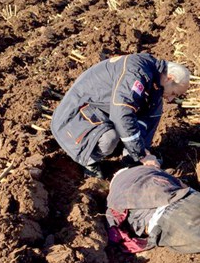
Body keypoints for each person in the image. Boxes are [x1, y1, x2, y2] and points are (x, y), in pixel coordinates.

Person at [51, 53, 190, 178]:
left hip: (102, 113)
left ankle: (129, 155)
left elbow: (147, 120)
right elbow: (122, 114)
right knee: (109, 139)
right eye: (174, 93)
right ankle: (89, 160)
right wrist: (141, 155)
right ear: (169, 78)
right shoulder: (136, 73)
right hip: (74, 117)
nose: (171, 100)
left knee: (154, 110)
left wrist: (139, 154)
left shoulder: (153, 79)